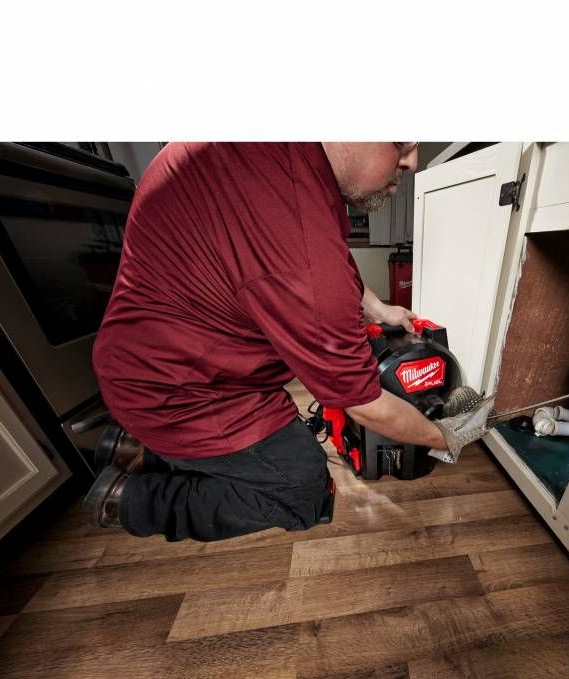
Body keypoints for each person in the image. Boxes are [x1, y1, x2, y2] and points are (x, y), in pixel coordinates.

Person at [85, 142, 493, 542]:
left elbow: (327, 255)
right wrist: (444, 437)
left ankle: (136, 448)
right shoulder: (302, 243)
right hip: (178, 392)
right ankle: (128, 498)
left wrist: (378, 308)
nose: (412, 160)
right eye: (398, 140)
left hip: (152, 355)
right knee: (303, 489)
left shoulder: (283, 160)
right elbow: (364, 404)